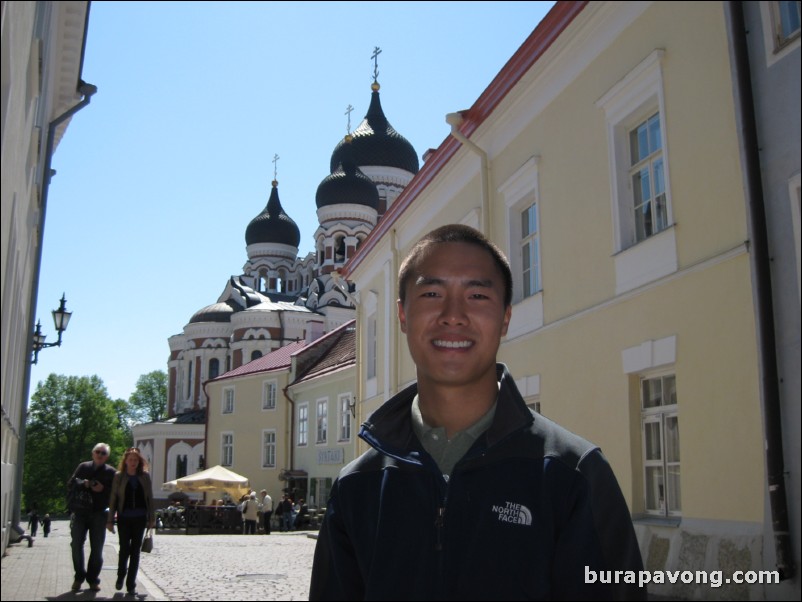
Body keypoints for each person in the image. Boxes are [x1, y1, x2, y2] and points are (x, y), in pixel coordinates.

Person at [310, 224, 646, 600]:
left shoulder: (573, 474)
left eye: (477, 295)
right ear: (403, 316)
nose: (453, 315)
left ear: (505, 318)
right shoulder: (358, 487)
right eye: (433, 293)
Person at [68, 442, 116, 593]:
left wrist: (103, 489)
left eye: (103, 453)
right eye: (97, 452)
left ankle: (93, 579)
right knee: (76, 544)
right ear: (92, 453)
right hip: (81, 511)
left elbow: (115, 494)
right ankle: (79, 576)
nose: (100, 455)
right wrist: (85, 484)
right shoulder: (83, 467)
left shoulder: (111, 472)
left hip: (99, 513)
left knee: (97, 549)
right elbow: (71, 483)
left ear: (107, 457)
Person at [107, 447, 155, 595]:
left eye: (135, 460)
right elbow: (114, 498)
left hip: (140, 517)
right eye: (130, 460)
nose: (133, 462)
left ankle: (131, 582)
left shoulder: (145, 476)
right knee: (124, 549)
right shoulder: (119, 476)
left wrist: (151, 518)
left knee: (135, 551)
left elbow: (150, 498)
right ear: (126, 461)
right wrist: (110, 520)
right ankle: (121, 575)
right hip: (124, 517)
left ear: (139, 461)